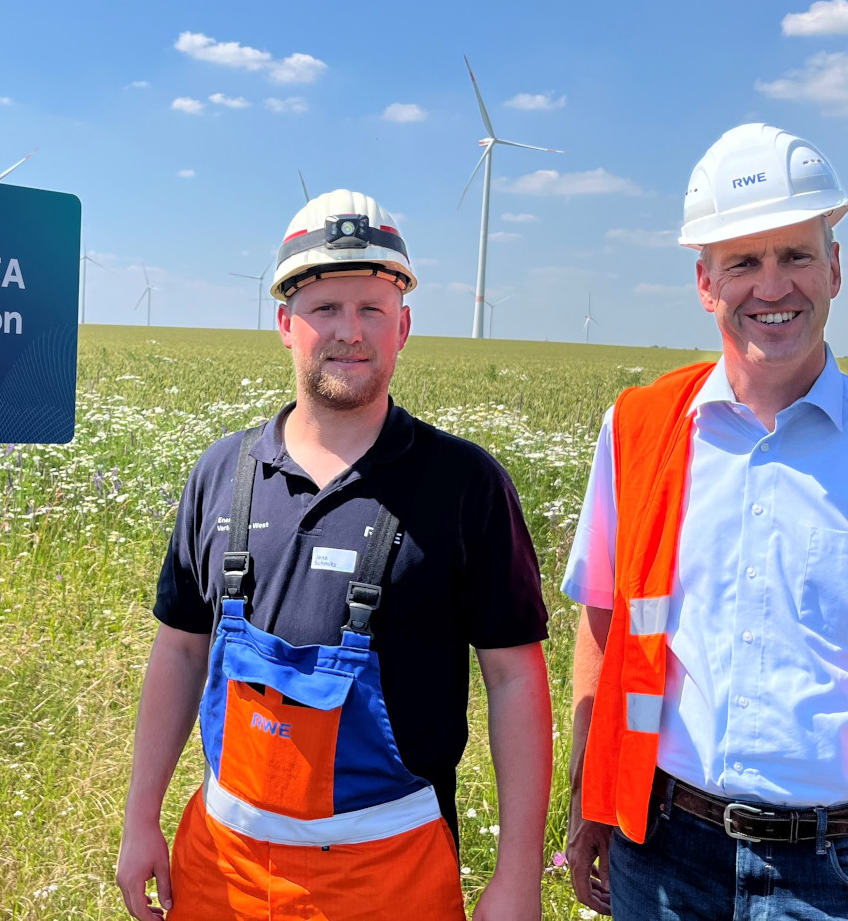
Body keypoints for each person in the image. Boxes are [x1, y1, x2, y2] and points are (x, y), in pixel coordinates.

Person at [562, 123, 848, 921]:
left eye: (797, 256)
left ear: (837, 269)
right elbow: (603, 621)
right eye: (744, 262)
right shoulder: (640, 429)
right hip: (664, 855)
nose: (773, 286)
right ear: (705, 283)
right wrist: (589, 797)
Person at [115, 190, 552, 921]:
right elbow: (181, 653)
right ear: (285, 323)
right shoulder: (223, 473)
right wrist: (140, 819)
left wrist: (517, 878)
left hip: (392, 876)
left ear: (403, 327)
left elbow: (513, 679)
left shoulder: (464, 485)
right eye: (325, 309)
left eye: (371, 310)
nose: (350, 333)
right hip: (222, 868)